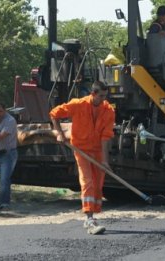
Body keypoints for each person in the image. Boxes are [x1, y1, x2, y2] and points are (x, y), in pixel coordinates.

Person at [49, 80, 115, 235]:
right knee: (88, 181)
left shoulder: (109, 110)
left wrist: (104, 161)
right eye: (101, 96)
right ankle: (89, 219)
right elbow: (54, 114)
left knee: (98, 184)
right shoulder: (78, 105)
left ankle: (93, 213)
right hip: (81, 149)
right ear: (93, 93)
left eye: (106, 96)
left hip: (98, 151)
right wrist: (60, 133)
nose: (104, 99)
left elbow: (106, 136)